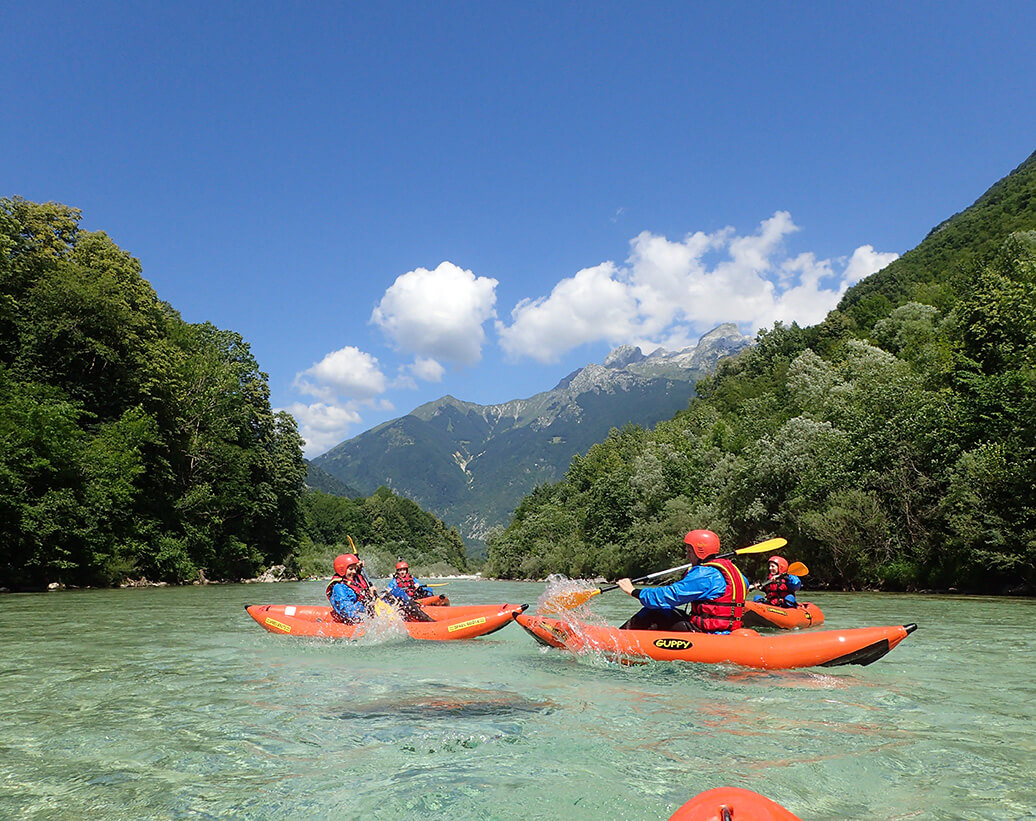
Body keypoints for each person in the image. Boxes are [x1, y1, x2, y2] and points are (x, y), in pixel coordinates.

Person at [616, 529, 748, 633]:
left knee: (654, 612)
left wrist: (634, 592)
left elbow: (670, 596)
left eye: (689, 551)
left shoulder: (704, 575)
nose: (687, 555)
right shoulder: (735, 572)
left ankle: (618, 638)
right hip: (728, 630)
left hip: (707, 632)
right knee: (667, 609)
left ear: (699, 552)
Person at [326, 553, 380, 623]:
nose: (354, 572)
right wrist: (367, 604)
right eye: (351, 569)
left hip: (363, 613)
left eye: (355, 568)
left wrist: (360, 568)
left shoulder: (354, 579)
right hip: (349, 619)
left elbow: (360, 583)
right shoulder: (339, 588)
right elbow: (348, 611)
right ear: (341, 569)